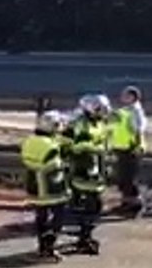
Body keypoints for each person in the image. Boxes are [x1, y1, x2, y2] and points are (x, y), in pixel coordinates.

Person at [63, 93, 112, 255]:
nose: (103, 112)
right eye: (100, 109)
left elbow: (103, 142)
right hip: (83, 168)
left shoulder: (98, 123)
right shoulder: (80, 124)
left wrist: (104, 159)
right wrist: (96, 150)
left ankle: (84, 235)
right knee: (88, 205)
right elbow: (77, 147)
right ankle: (83, 237)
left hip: (95, 167)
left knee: (93, 206)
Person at [21, 109, 71, 261]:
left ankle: (42, 247)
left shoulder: (30, 140)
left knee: (41, 216)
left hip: (34, 184)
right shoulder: (50, 145)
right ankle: (49, 246)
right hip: (50, 186)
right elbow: (56, 163)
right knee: (58, 216)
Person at [110, 85, 147, 216]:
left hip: (130, 149)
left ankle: (136, 206)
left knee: (129, 179)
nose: (122, 97)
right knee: (123, 179)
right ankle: (126, 204)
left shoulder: (135, 111)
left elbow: (138, 130)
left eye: (126, 95)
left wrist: (138, 145)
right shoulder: (126, 110)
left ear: (132, 97)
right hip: (122, 148)